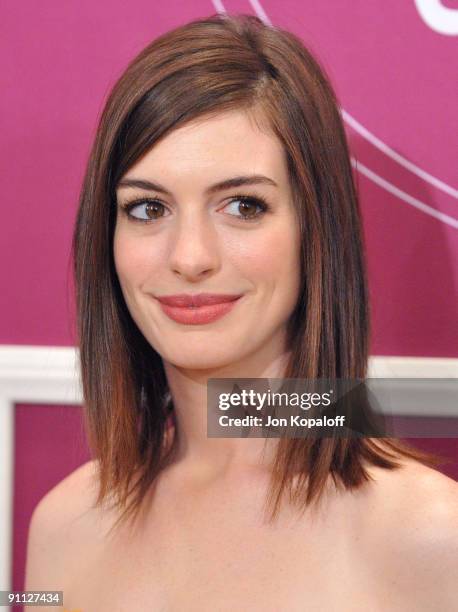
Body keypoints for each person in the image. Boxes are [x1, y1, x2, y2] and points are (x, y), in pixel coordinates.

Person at [24, 13, 458, 611]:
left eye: (244, 205)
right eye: (148, 209)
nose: (190, 257)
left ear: (316, 230)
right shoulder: (63, 527)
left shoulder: (430, 536)